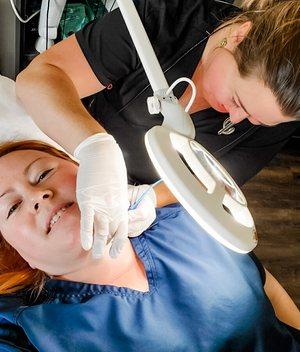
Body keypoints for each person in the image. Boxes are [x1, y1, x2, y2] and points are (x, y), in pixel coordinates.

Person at [15, 0, 300, 257]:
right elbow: (38, 79)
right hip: (70, 152)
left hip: (136, 202)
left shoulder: (282, 111)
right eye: (238, 101)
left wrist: (151, 198)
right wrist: (95, 149)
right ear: (238, 37)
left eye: (257, 121)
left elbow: (218, 181)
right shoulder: (167, 20)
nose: (237, 120)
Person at [0, 140, 299, 351]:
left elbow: (263, 286)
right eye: (12, 208)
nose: (39, 195)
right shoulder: (29, 330)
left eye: (43, 174)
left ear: (92, 171)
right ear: (20, 254)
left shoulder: (188, 220)